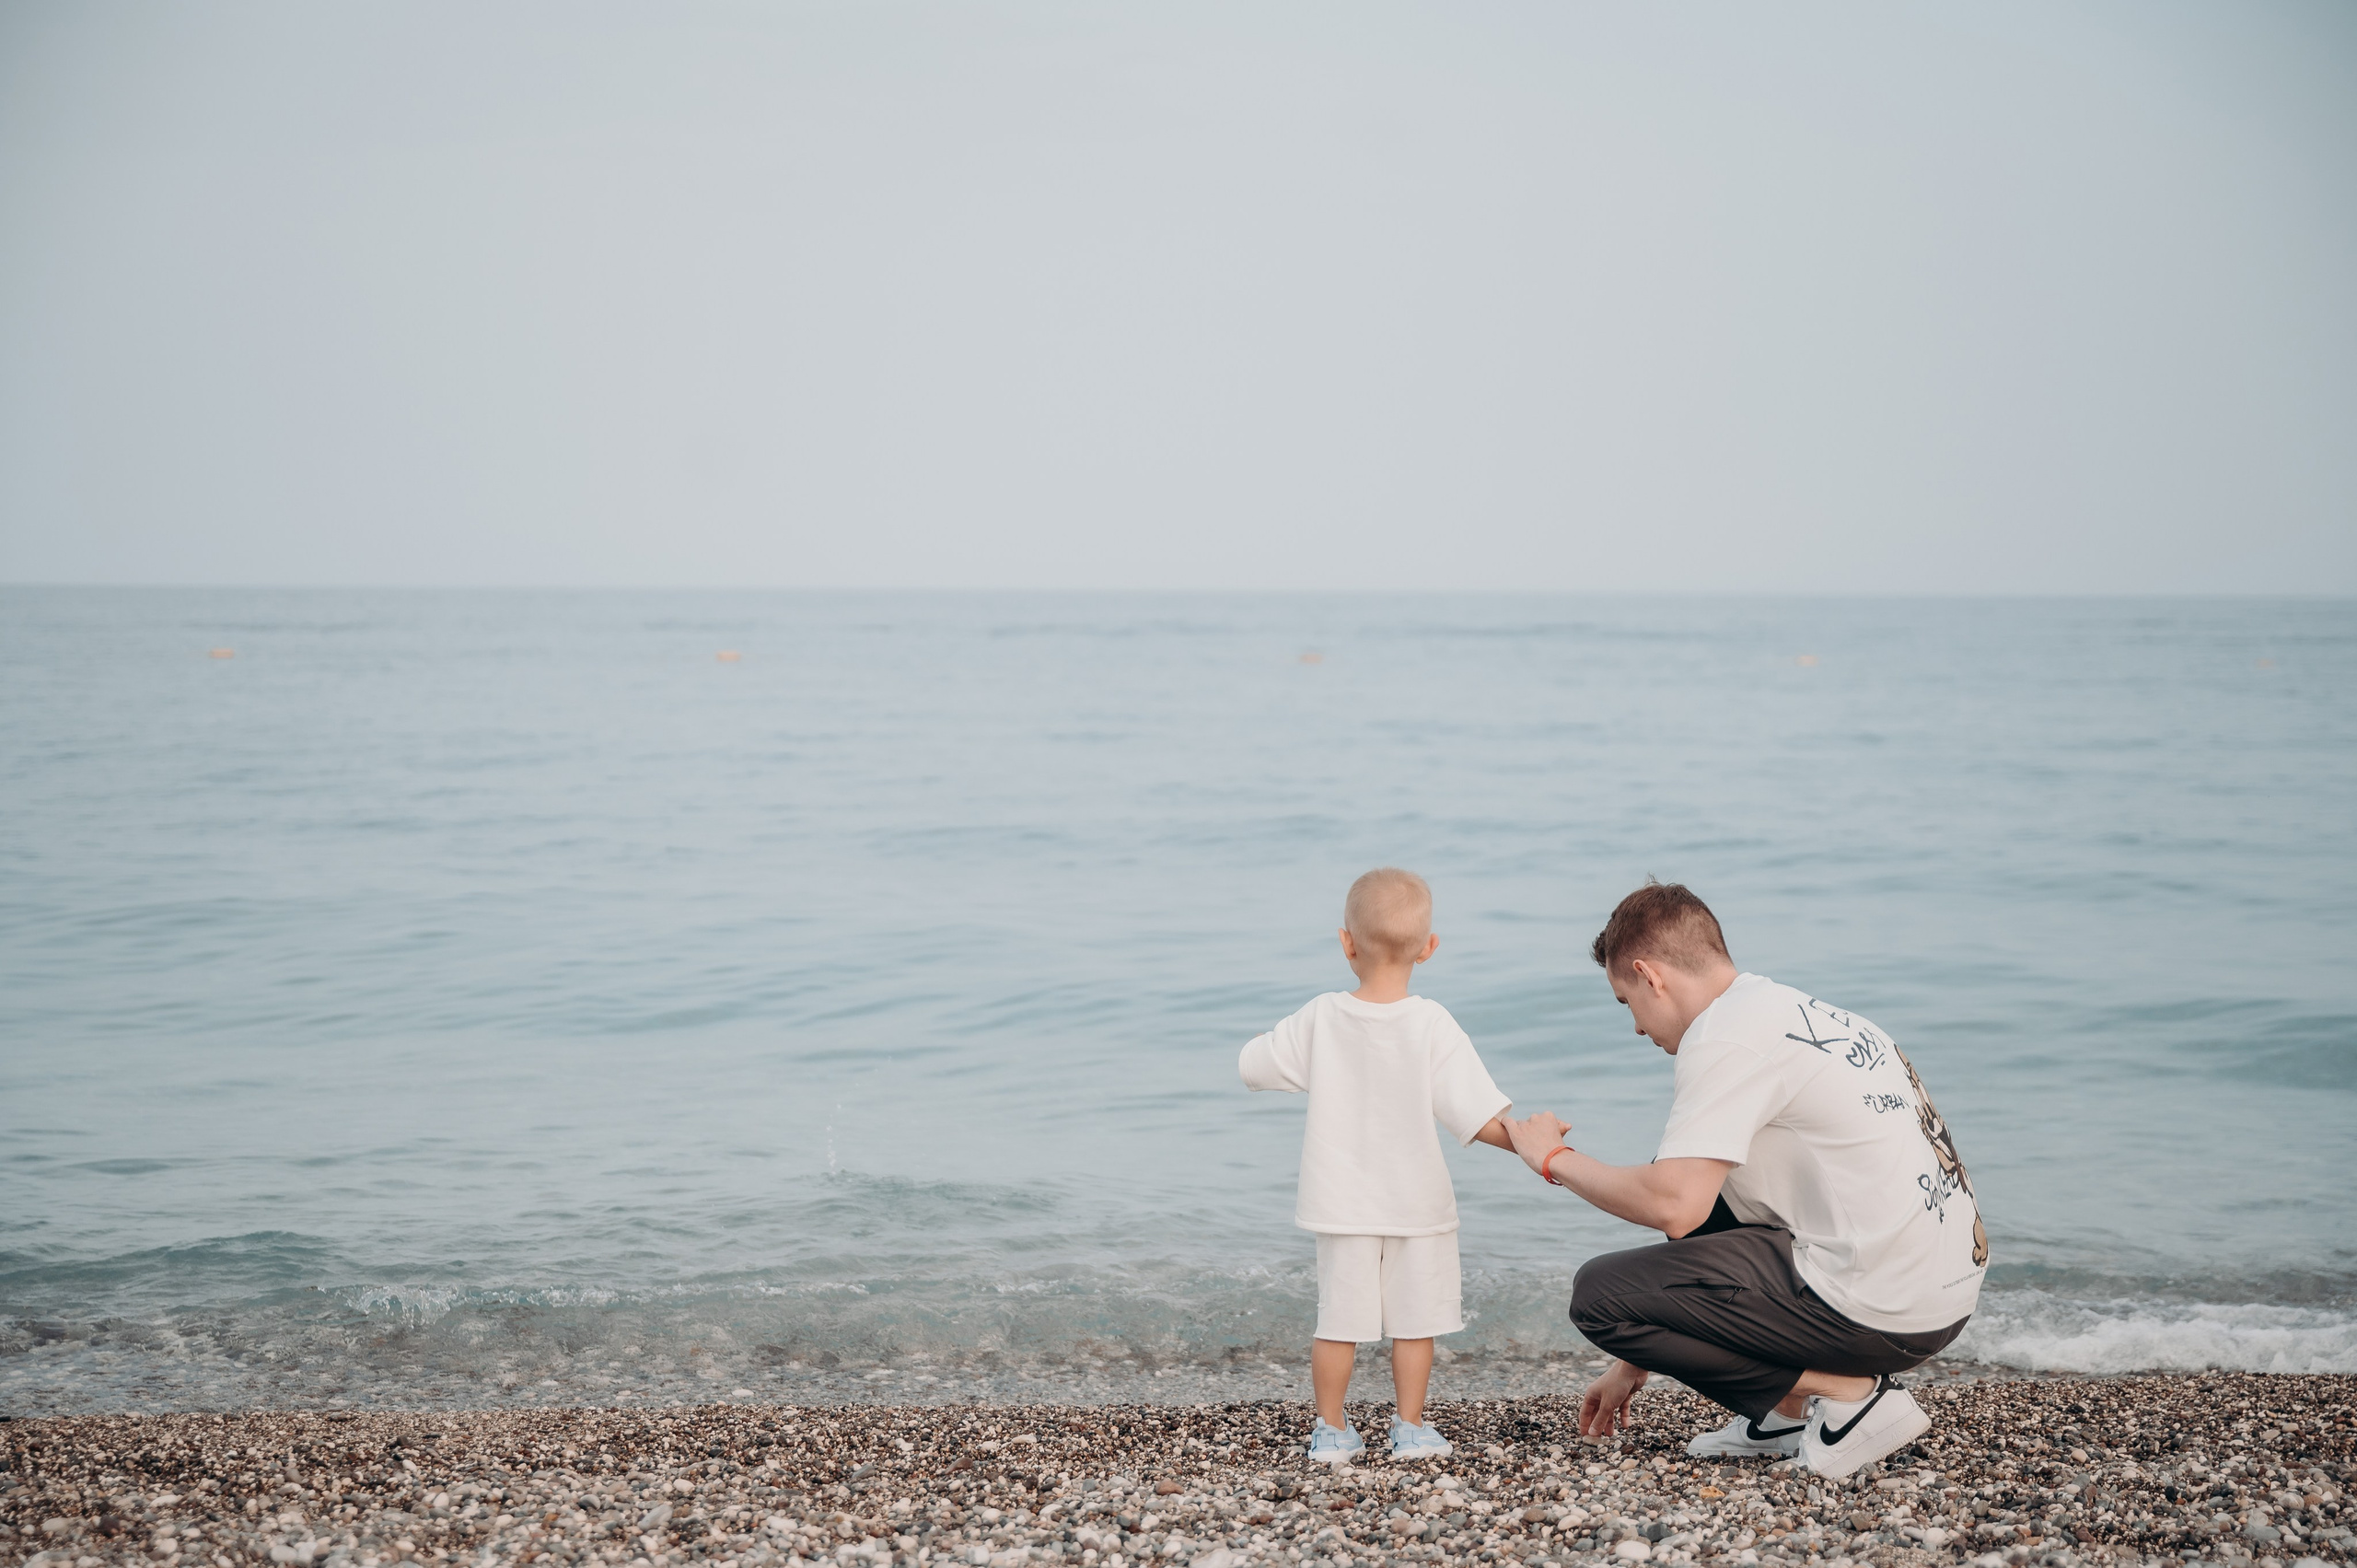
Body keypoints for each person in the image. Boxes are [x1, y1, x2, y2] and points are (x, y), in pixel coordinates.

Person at [1501, 882, 1987, 1479]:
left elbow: (1673, 1206)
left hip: (1885, 1311)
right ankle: (1784, 1412)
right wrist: (1631, 1362)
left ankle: (1851, 1395)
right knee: (1705, 1184)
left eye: (1625, 1000)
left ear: (1649, 975)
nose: (1634, 1026)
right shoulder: (1798, 1013)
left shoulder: (1724, 1038)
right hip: (1939, 1295)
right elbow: (1702, 1213)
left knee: (1599, 1297)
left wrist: (1553, 1157)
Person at [1239, 867, 1515, 1465]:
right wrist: (1533, 1142)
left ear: (1346, 943)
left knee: (1337, 1320)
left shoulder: (1321, 1017)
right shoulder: (1432, 1022)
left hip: (1341, 1203)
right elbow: (1475, 1112)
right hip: (1416, 1202)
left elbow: (1253, 1065)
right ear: (1429, 947)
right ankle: (1410, 1427)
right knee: (1416, 1321)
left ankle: (1331, 1430)